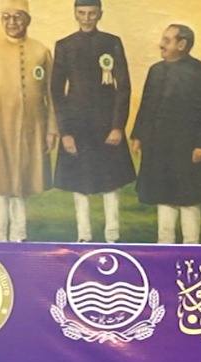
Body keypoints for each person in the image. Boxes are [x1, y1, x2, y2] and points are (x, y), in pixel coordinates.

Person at [51, 0, 136, 243]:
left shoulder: (112, 42)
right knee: (80, 182)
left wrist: (117, 126)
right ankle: (84, 235)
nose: (87, 18)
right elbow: (57, 91)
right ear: (75, 14)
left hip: (106, 123)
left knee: (111, 181)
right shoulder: (64, 45)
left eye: (91, 13)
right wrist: (65, 132)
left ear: (100, 14)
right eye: (82, 13)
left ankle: (113, 235)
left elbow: (123, 87)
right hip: (77, 125)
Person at [0, 0, 57, 242]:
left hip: (33, 129)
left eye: (18, 17)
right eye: (6, 17)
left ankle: (19, 236)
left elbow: (52, 94)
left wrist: (51, 130)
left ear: (28, 20)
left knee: (22, 184)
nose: (12, 22)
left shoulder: (41, 51)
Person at [131, 24, 201, 244]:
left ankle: (192, 246)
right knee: (163, 197)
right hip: (158, 148)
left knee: (189, 199)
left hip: (188, 148)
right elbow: (146, 106)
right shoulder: (155, 71)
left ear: (182, 44)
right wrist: (138, 136)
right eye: (163, 39)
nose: (161, 44)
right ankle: (165, 245)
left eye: (167, 40)